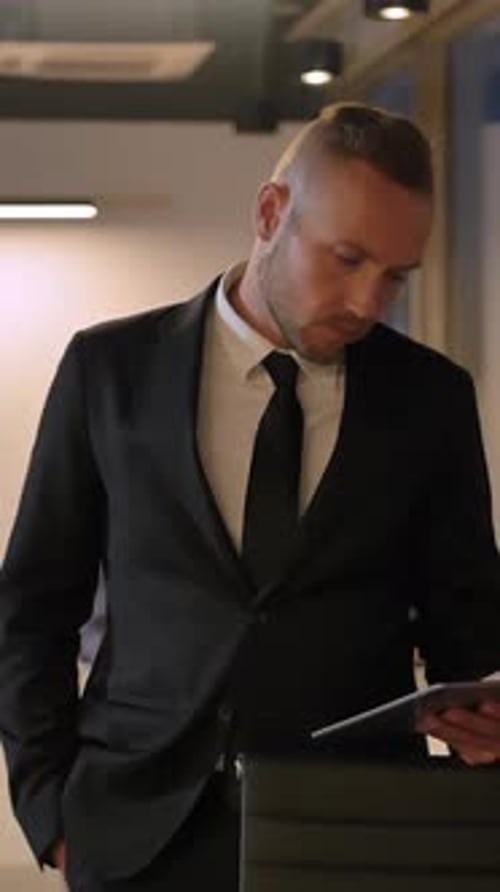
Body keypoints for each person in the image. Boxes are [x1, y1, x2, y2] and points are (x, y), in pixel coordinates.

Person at [1, 102, 500, 892]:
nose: (369, 303)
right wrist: (48, 809)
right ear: (271, 214)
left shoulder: (432, 398)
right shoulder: (110, 370)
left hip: (355, 835)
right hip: (135, 835)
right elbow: (31, 605)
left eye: (396, 276)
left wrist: (486, 721)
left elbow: (467, 621)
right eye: (346, 258)